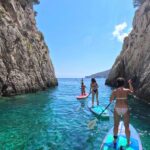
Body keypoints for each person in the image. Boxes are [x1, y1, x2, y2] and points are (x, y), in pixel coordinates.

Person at [110, 77, 134, 147]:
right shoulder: (126, 90)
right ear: (123, 83)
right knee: (127, 127)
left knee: (116, 125)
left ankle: (114, 140)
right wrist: (129, 83)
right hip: (125, 109)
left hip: (117, 109)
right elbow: (132, 91)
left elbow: (111, 100)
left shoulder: (114, 91)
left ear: (117, 83)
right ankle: (128, 142)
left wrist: (114, 97)